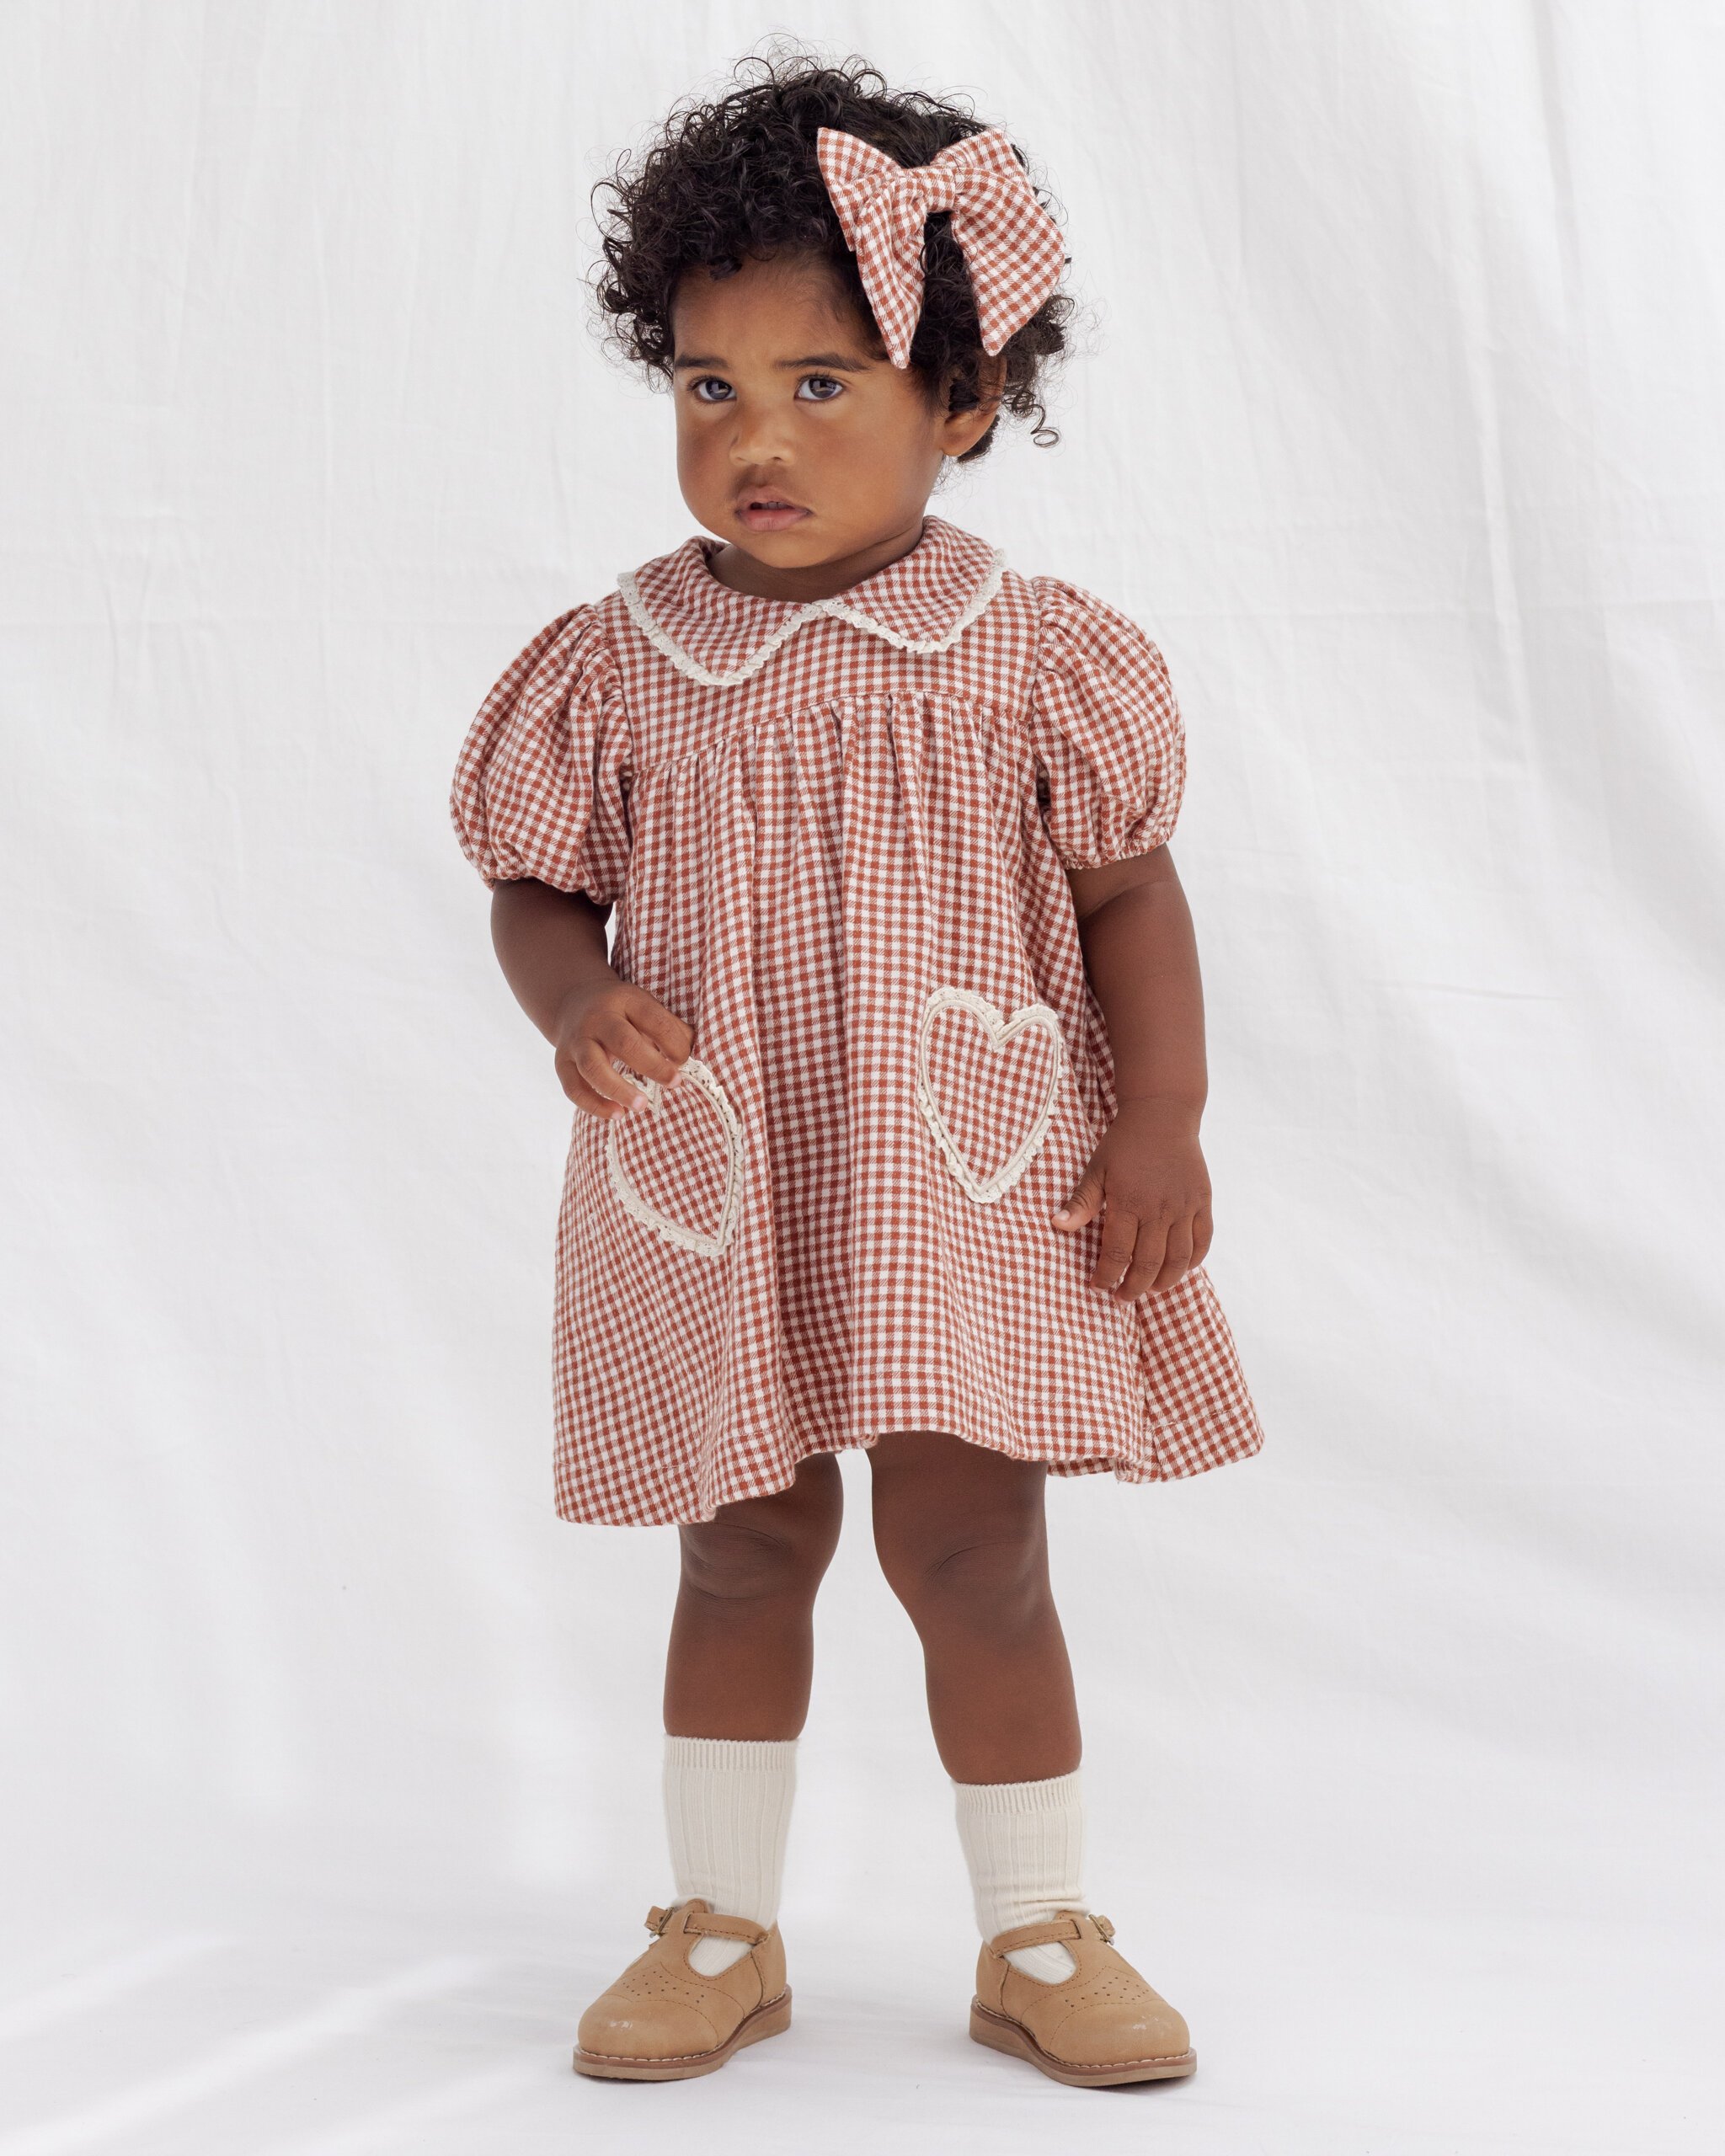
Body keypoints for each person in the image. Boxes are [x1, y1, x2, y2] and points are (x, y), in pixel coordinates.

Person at [449, 48, 1265, 2089]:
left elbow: (1129, 893)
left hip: (963, 1181)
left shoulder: (1035, 653)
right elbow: (536, 884)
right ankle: (719, 1922)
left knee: (973, 1549)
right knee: (740, 1540)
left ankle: (1038, 1927)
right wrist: (570, 1003)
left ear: (961, 402)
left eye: (822, 384)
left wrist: (1162, 1117)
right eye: (708, 386)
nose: (754, 438)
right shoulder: (617, 662)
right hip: (720, 1175)